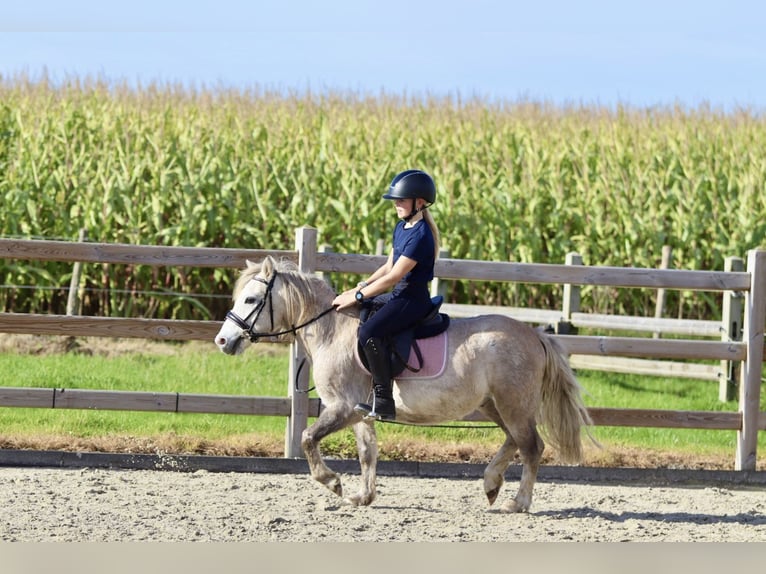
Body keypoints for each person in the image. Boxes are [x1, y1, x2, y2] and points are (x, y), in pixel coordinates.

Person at [333, 169, 440, 421]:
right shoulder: (402, 226)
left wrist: (357, 296)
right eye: (395, 200)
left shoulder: (422, 236)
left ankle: (383, 400)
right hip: (400, 295)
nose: (396, 204)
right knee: (364, 310)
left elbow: (393, 278)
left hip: (412, 300)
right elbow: (388, 267)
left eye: (401, 200)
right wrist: (359, 289)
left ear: (419, 202)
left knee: (369, 332)